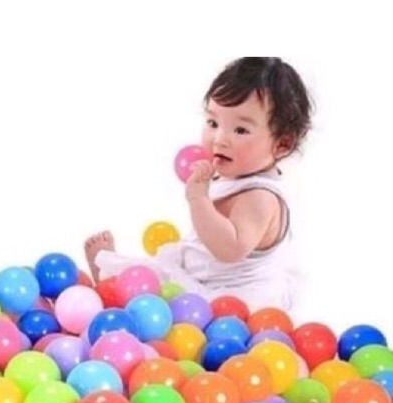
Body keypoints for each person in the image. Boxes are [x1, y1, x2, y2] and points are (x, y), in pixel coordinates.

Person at [84, 56, 313, 312]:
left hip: (233, 298)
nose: (219, 139)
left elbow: (229, 249)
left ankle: (108, 282)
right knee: (154, 274)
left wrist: (198, 199)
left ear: (282, 144)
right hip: (205, 276)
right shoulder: (235, 174)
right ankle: (110, 280)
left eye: (240, 130)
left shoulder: (260, 197)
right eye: (213, 123)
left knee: (155, 290)